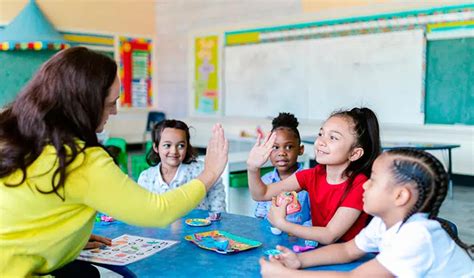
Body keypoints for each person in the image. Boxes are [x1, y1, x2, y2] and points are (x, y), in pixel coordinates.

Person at [0, 47, 229, 277]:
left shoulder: (14, 133)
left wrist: (64, 236)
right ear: (85, 103)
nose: (115, 111)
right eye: (111, 103)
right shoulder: (79, 159)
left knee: (86, 272)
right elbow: (158, 211)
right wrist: (210, 173)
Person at [259, 148, 474, 277]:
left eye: (373, 180)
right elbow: (347, 251)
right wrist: (299, 261)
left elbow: (355, 277)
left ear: (400, 196)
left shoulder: (417, 235)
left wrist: (286, 276)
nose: (364, 185)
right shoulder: (384, 223)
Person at [247, 108, 381, 244]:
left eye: (333, 137)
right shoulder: (313, 175)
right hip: (320, 251)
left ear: (354, 153)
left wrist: (282, 224)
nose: (320, 142)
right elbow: (262, 194)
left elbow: (330, 235)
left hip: (349, 259)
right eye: (321, 134)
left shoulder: (360, 185)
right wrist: (252, 168)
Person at [138, 119, 226, 215]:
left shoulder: (201, 170)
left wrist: (217, 220)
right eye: (167, 145)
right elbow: (143, 212)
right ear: (156, 147)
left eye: (180, 146)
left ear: (187, 146)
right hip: (161, 229)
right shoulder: (146, 177)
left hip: (202, 228)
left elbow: (217, 196)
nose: (174, 151)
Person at [254, 113, 311, 229]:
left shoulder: (310, 181)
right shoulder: (265, 180)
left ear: (300, 150)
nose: (281, 153)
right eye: (275, 147)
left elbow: (315, 219)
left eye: (289, 147)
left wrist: (299, 233)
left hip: (299, 240)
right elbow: (259, 215)